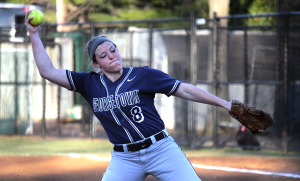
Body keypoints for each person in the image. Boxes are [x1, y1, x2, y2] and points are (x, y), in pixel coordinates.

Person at [25, 11, 232, 181]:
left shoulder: (143, 75)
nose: (112, 56)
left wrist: (225, 104)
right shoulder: (89, 83)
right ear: (96, 64)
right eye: (103, 55)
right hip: (125, 158)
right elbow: (48, 71)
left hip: (161, 149)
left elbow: (184, 89)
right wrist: (34, 34)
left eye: (113, 50)